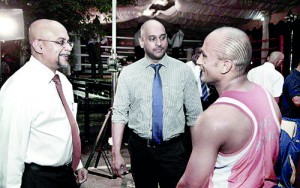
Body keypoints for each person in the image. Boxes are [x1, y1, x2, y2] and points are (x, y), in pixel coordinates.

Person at [177, 27, 281, 187]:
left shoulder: (213, 119)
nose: (198, 61)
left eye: (204, 55)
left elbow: (190, 184)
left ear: (225, 65)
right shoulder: (268, 97)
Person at [111, 19, 202, 188]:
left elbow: (195, 116)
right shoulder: (128, 73)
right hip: (140, 151)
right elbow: (119, 113)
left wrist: (197, 154)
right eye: (152, 38)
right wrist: (116, 152)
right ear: (141, 41)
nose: (159, 43)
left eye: (163, 37)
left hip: (174, 150)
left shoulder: (183, 71)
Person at [0, 19, 88, 188]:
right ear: (38, 46)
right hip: (37, 180)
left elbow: (65, 128)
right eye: (61, 42)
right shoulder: (18, 88)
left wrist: (77, 164)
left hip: (65, 176)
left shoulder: (63, 82)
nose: (69, 47)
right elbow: (9, 155)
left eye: (68, 42)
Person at [275, 60, 300, 188]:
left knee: (288, 157)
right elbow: (296, 100)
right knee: (289, 157)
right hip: (291, 123)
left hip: (292, 122)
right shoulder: (294, 78)